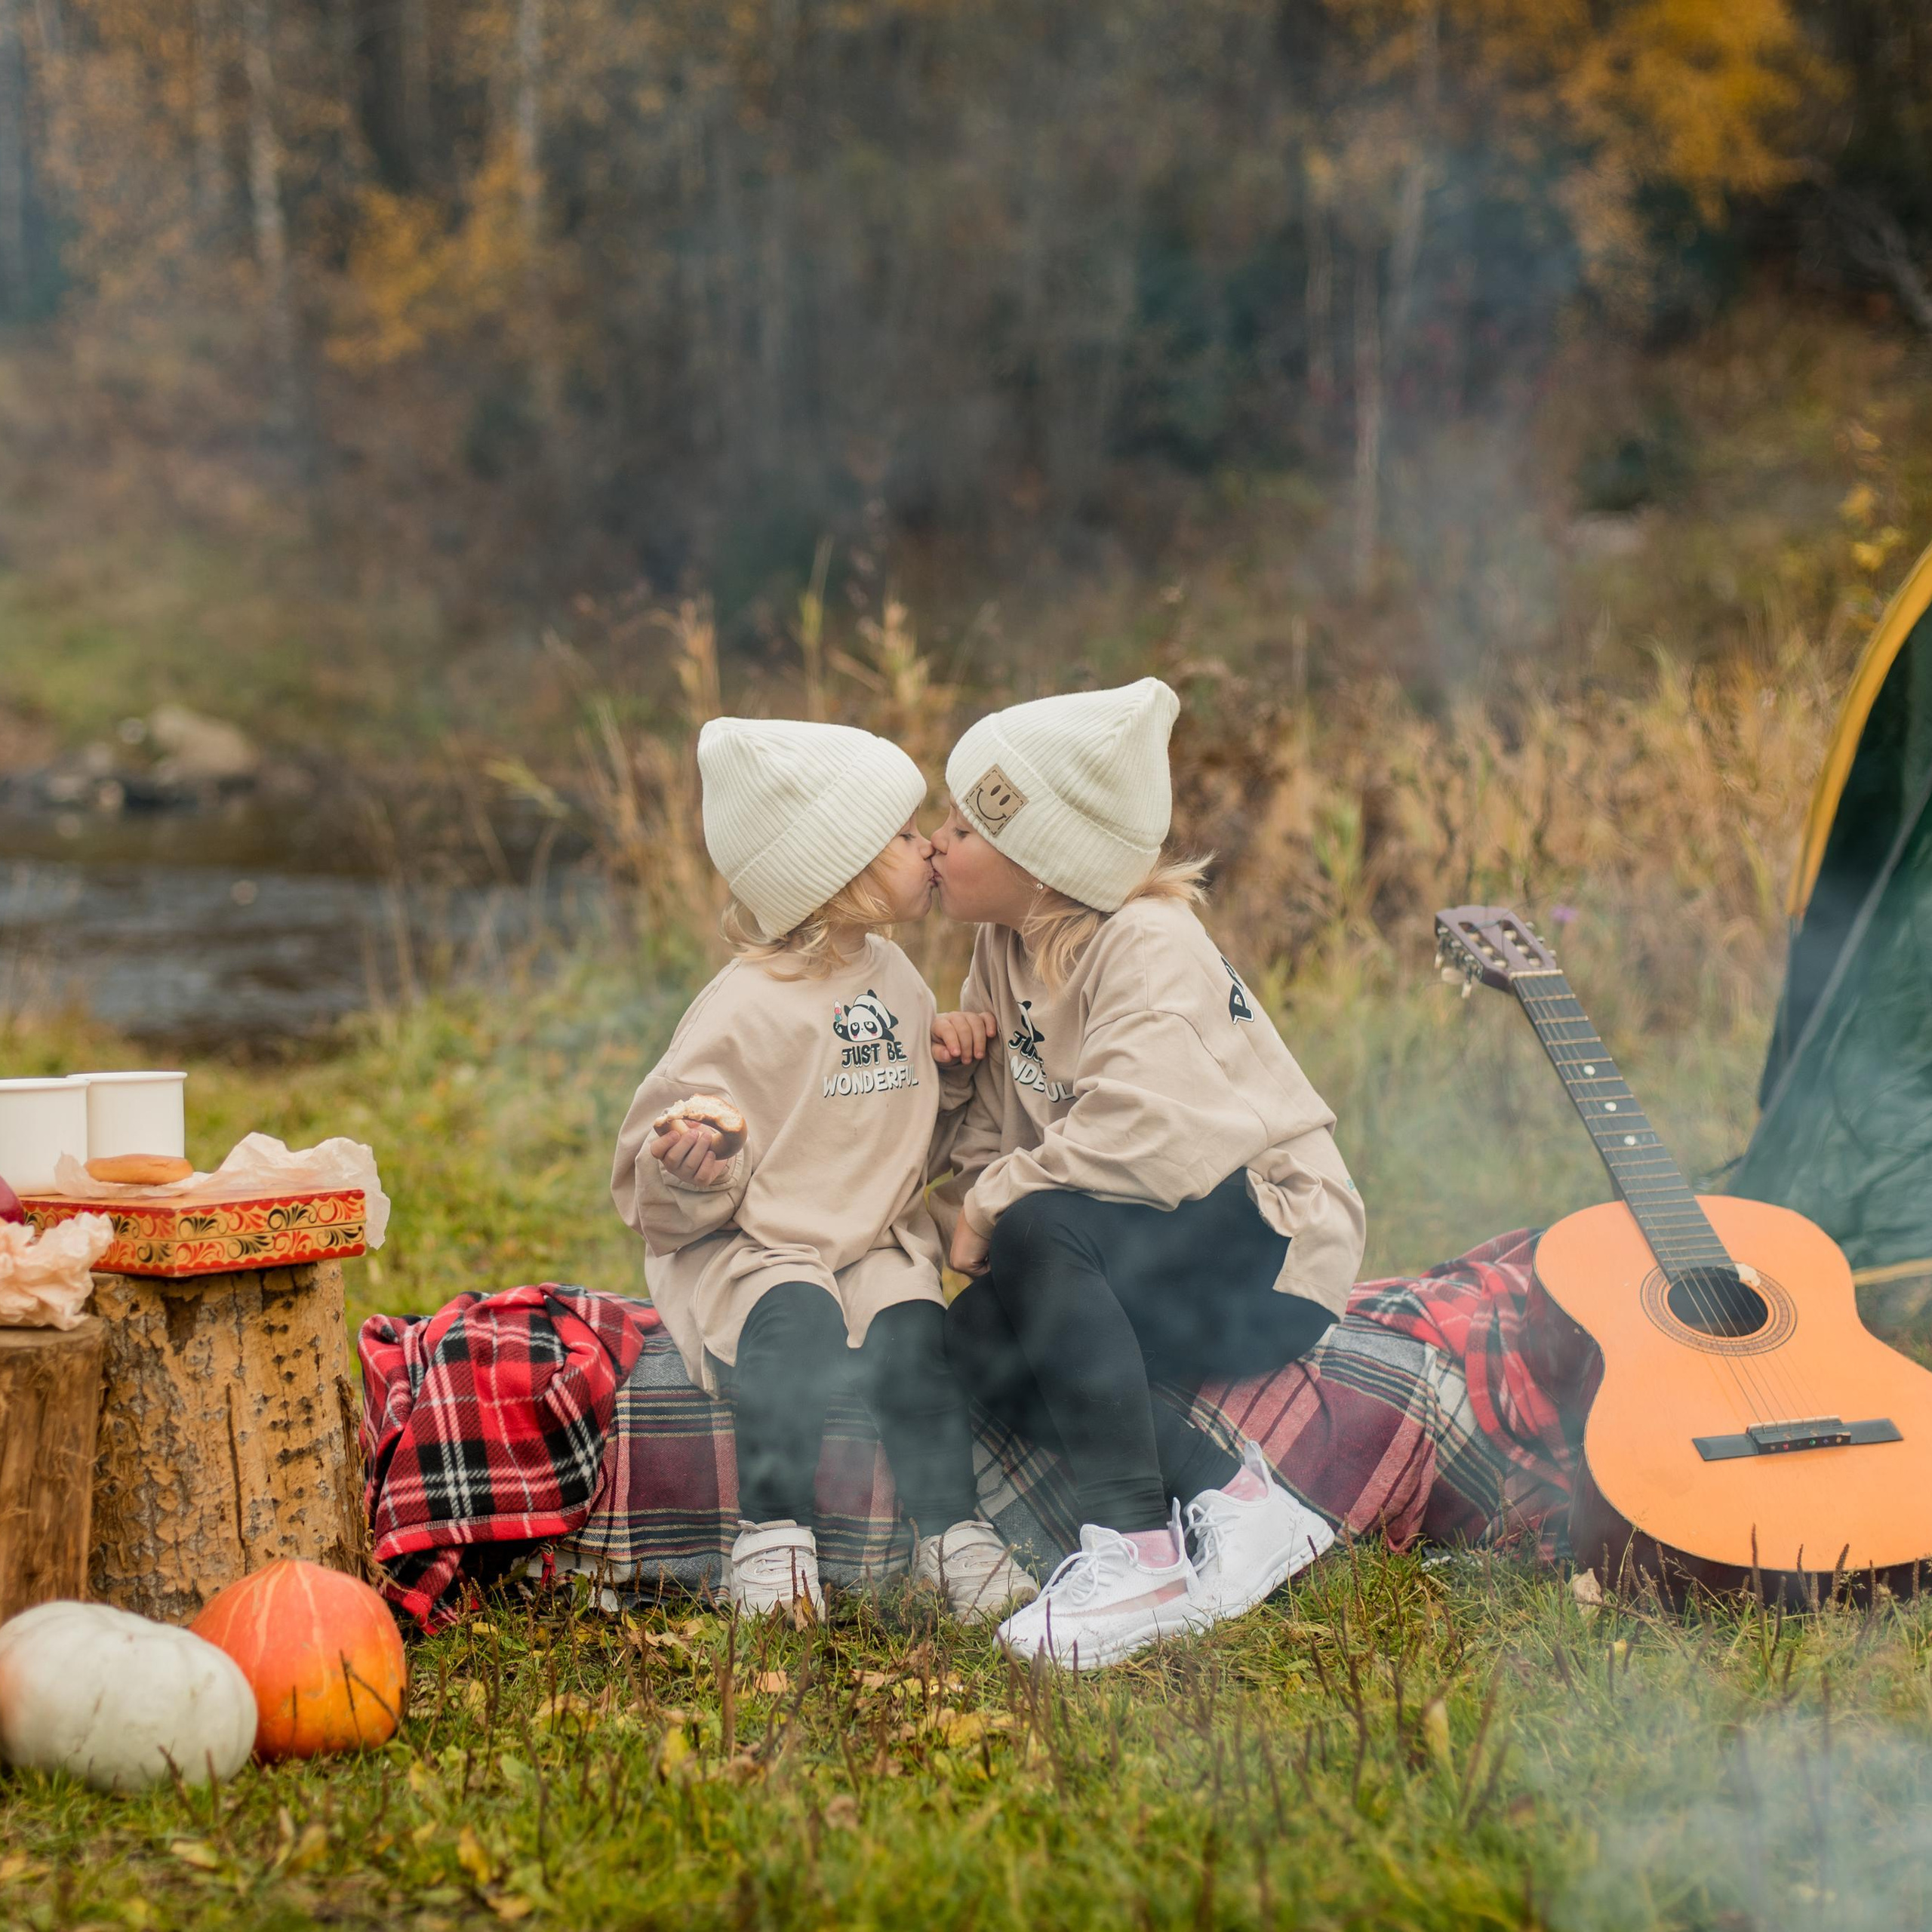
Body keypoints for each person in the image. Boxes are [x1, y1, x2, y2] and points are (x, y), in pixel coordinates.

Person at [931, 678, 1365, 1666]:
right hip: (1150, 1248)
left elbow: (1147, 1139)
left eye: (963, 828)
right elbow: (997, 1131)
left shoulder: (1148, 943)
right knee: (973, 1339)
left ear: (1042, 860)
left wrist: (993, 1205)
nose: (936, 845)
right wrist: (958, 1092)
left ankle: (1137, 1555)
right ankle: (1234, 1494)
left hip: (1267, 1249)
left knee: (1037, 1224)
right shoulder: (1004, 948)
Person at [611, 716, 1035, 1623]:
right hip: (760, 1239)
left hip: (868, 1237)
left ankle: (951, 1532)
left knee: (916, 1333)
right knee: (794, 1322)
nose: (928, 847)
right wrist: (692, 1164)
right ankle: (771, 1534)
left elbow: (895, 1140)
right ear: (839, 871)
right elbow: (657, 1174)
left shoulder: (896, 976)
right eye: (904, 834)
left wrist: (950, 1074)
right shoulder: (744, 1007)